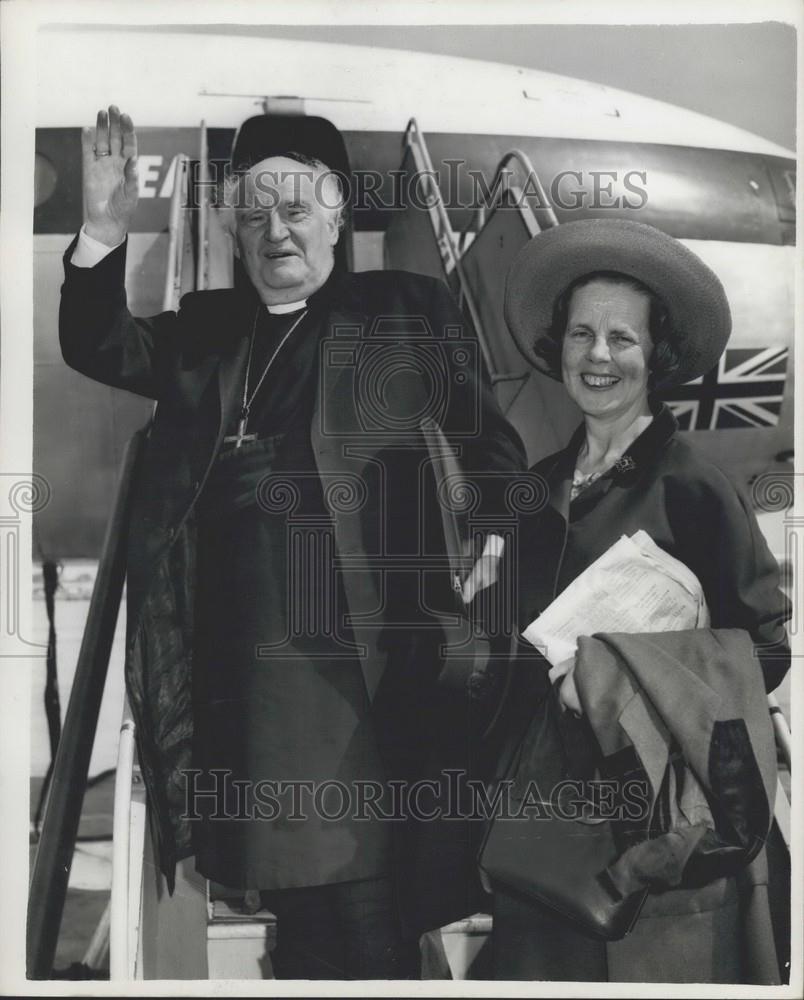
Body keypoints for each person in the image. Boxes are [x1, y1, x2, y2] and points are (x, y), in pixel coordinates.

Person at [59, 106, 525, 979]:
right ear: (233, 226)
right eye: (256, 213)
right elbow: (96, 343)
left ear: (340, 212)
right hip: (247, 688)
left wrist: (493, 531)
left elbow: (488, 444)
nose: (277, 231)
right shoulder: (205, 328)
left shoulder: (403, 308)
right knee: (302, 923)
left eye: (298, 209)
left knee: (371, 913)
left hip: (369, 676)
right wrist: (103, 230)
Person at [483, 218, 791, 983]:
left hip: (661, 838)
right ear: (557, 348)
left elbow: (768, 651)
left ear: (656, 355)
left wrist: (617, 671)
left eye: (623, 338)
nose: (598, 355)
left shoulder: (691, 486)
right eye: (581, 334)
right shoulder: (535, 487)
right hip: (550, 834)